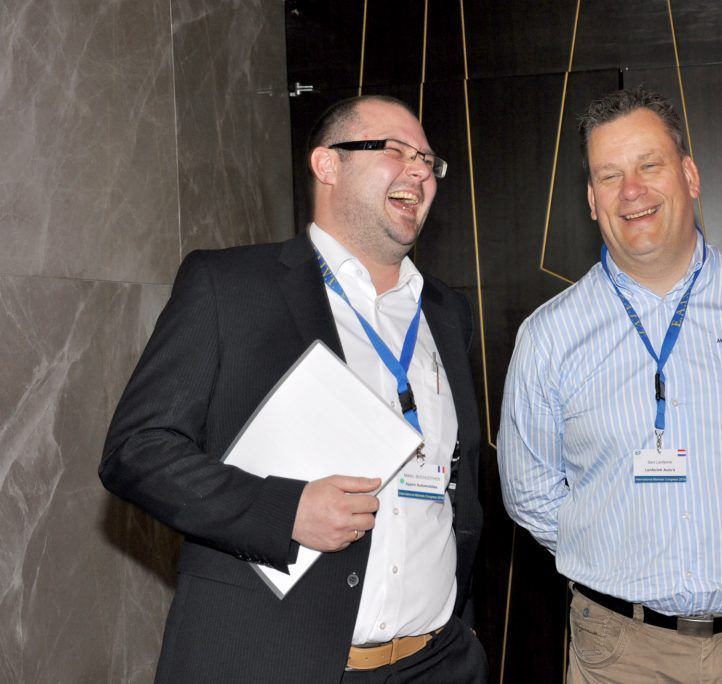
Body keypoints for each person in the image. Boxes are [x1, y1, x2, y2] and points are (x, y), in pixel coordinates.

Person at [100, 95, 486, 683]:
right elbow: (137, 450)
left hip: (435, 662)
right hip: (278, 660)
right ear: (327, 164)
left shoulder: (445, 311)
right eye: (395, 150)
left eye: (428, 160)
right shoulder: (229, 286)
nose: (420, 170)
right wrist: (283, 513)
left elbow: (456, 490)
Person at [497, 86, 722, 683]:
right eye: (609, 175)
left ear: (689, 176)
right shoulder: (549, 336)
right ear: (591, 199)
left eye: (649, 165)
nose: (632, 191)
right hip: (620, 655)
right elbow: (529, 488)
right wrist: (609, 551)